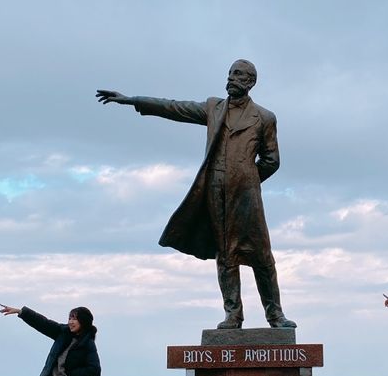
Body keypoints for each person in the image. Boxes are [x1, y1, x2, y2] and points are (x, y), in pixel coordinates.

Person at [96, 60, 296, 331]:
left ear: (250, 81)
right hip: (215, 193)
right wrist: (133, 100)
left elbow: (271, 160)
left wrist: (246, 179)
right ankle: (233, 315)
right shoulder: (214, 108)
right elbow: (175, 107)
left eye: (237, 74)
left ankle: (276, 315)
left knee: (261, 255)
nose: (231, 78)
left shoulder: (264, 117)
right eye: (229, 73)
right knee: (225, 255)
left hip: (247, 196)